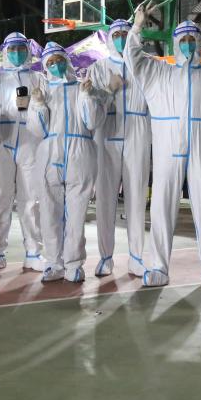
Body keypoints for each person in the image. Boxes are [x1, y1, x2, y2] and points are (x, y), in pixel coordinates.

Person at [125, 11, 201, 288]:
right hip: (167, 147)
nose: (188, 44)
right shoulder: (159, 72)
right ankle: (159, 267)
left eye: (192, 39)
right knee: (162, 206)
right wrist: (137, 27)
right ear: (175, 44)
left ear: (199, 42)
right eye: (183, 39)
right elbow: (133, 58)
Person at [28, 43, 104, 283]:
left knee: (76, 214)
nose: (55, 66)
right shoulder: (42, 92)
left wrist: (87, 96)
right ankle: (54, 263)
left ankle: (74, 264)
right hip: (49, 154)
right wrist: (37, 104)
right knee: (49, 212)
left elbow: (93, 122)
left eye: (59, 60)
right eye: (50, 63)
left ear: (67, 61)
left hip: (80, 153)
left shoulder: (83, 87)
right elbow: (38, 130)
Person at [0, 32, 46, 273]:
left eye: (20, 49)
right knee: (0, 198)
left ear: (28, 51)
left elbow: (48, 110)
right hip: (1, 142)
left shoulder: (38, 78)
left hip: (30, 142)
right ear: (5, 52)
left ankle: (34, 252)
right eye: (11, 49)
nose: (16, 53)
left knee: (30, 200)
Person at [87, 19, 149, 277]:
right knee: (105, 199)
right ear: (110, 39)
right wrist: (108, 91)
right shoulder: (97, 68)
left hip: (137, 134)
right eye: (117, 34)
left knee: (136, 196)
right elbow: (89, 106)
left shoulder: (143, 65)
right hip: (106, 135)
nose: (122, 38)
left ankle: (136, 257)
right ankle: (105, 257)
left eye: (126, 33)